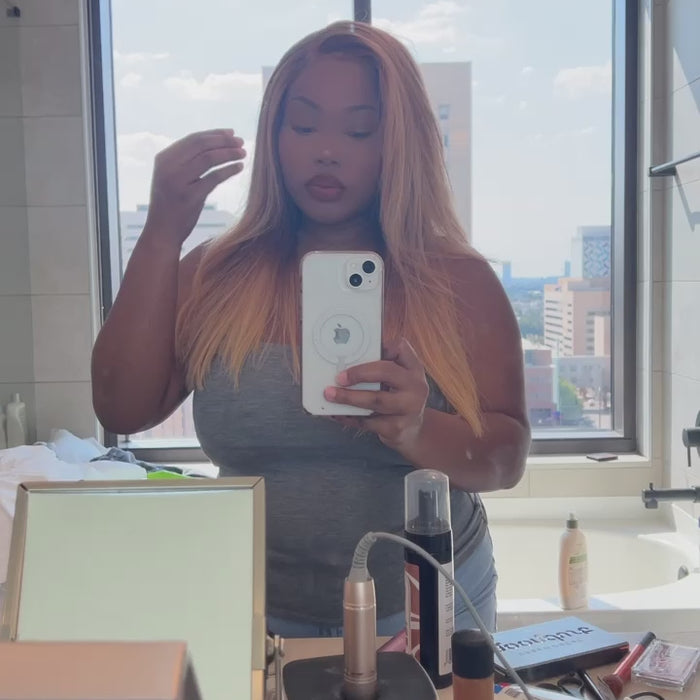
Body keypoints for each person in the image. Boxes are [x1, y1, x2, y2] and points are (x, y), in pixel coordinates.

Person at [91, 20, 530, 637]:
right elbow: (121, 407)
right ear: (273, 135)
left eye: (359, 130)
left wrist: (416, 428)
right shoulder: (214, 273)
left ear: (398, 144)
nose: (327, 150)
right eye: (302, 125)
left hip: (427, 607)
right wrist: (163, 230)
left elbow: (506, 459)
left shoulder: (457, 280)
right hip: (256, 608)